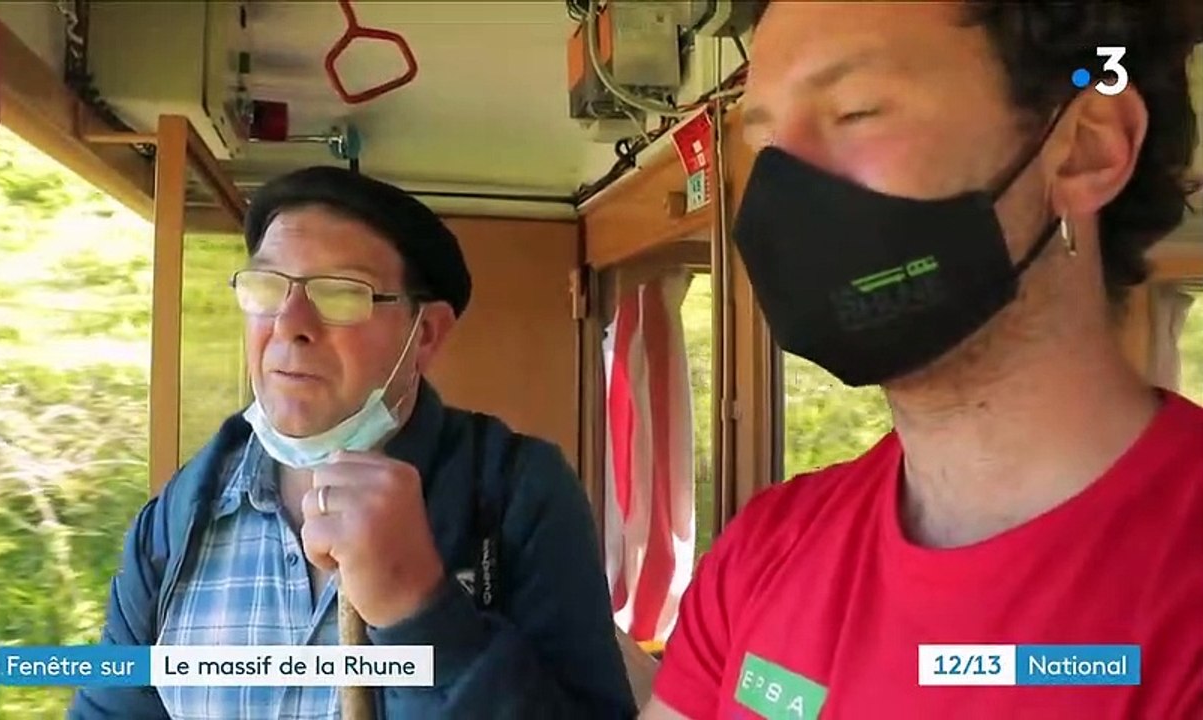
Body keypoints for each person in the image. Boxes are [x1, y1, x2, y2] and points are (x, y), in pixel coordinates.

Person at [644, 2, 1202, 719]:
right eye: (763, 147)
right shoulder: (765, 552)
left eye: (856, 111)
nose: (782, 197)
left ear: (1087, 147)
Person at [70, 166, 636, 719]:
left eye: (342, 294)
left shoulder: (515, 493)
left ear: (426, 335)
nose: (290, 323)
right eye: (267, 287)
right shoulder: (182, 514)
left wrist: (420, 610)